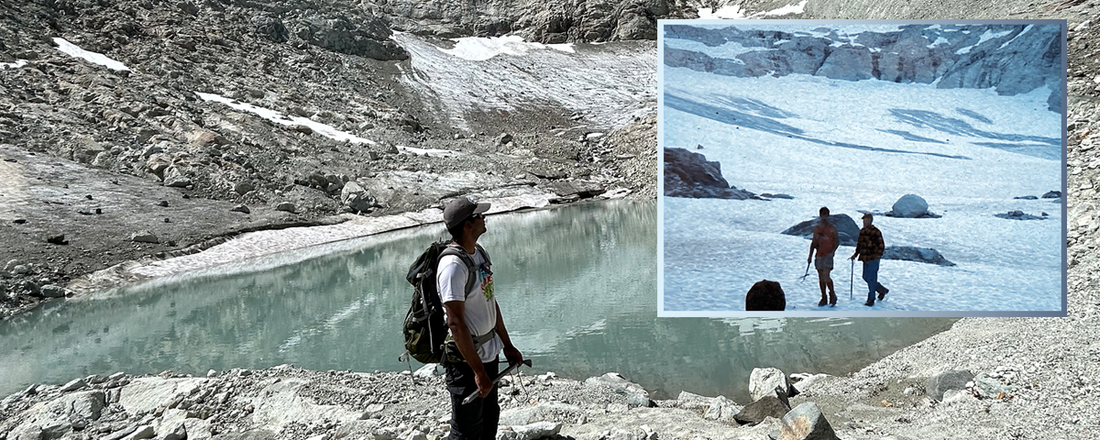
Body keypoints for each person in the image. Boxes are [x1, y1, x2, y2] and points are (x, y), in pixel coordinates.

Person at [437, 196, 524, 440]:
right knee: (466, 430)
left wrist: (507, 346)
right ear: (467, 224)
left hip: (488, 354)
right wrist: (478, 372)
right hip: (466, 362)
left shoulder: (479, 254)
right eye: (479, 216)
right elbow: (455, 323)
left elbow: (489, 302)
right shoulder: (452, 266)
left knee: (489, 420)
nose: (484, 219)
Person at [850, 212, 889, 306]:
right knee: (866, 277)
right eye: (863, 220)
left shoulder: (876, 231)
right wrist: (855, 254)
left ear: (870, 221)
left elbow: (881, 245)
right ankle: (881, 290)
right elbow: (859, 244)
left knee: (871, 278)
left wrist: (877, 256)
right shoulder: (862, 231)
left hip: (873, 258)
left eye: (866, 220)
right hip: (865, 257)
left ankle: (871, 298)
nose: (864, 221)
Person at [808, 207, 839, 307]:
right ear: (820, 216)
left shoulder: (832, 228)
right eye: (823, 215)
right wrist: (810, 256)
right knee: (821, 277)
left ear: (828, 215)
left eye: (826, 215)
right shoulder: (817, 228)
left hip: (828, 255)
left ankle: (832, 294)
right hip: (819, 255)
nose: (824, 217)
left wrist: (833, 252)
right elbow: (813, 243)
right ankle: (824, 297)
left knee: (826, 276)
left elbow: (837, 241)